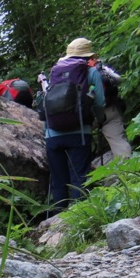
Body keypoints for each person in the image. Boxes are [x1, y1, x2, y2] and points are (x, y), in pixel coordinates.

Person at [44, 37, 106, 213]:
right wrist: (99, 119)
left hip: (52, 133)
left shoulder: (54, 71)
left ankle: (56, 224)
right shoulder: (90, 71)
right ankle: (81, 217)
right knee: (79, 177)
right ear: (88, 55)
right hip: (79, 132)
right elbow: (100, 101)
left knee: (58, 179)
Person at [88, 58, 132, 158]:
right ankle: (129, 170)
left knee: (74, 142)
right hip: (110, 109)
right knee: (119, 142)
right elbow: (118, 79)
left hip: (89, 116)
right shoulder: (99, 66)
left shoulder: (74, 70)